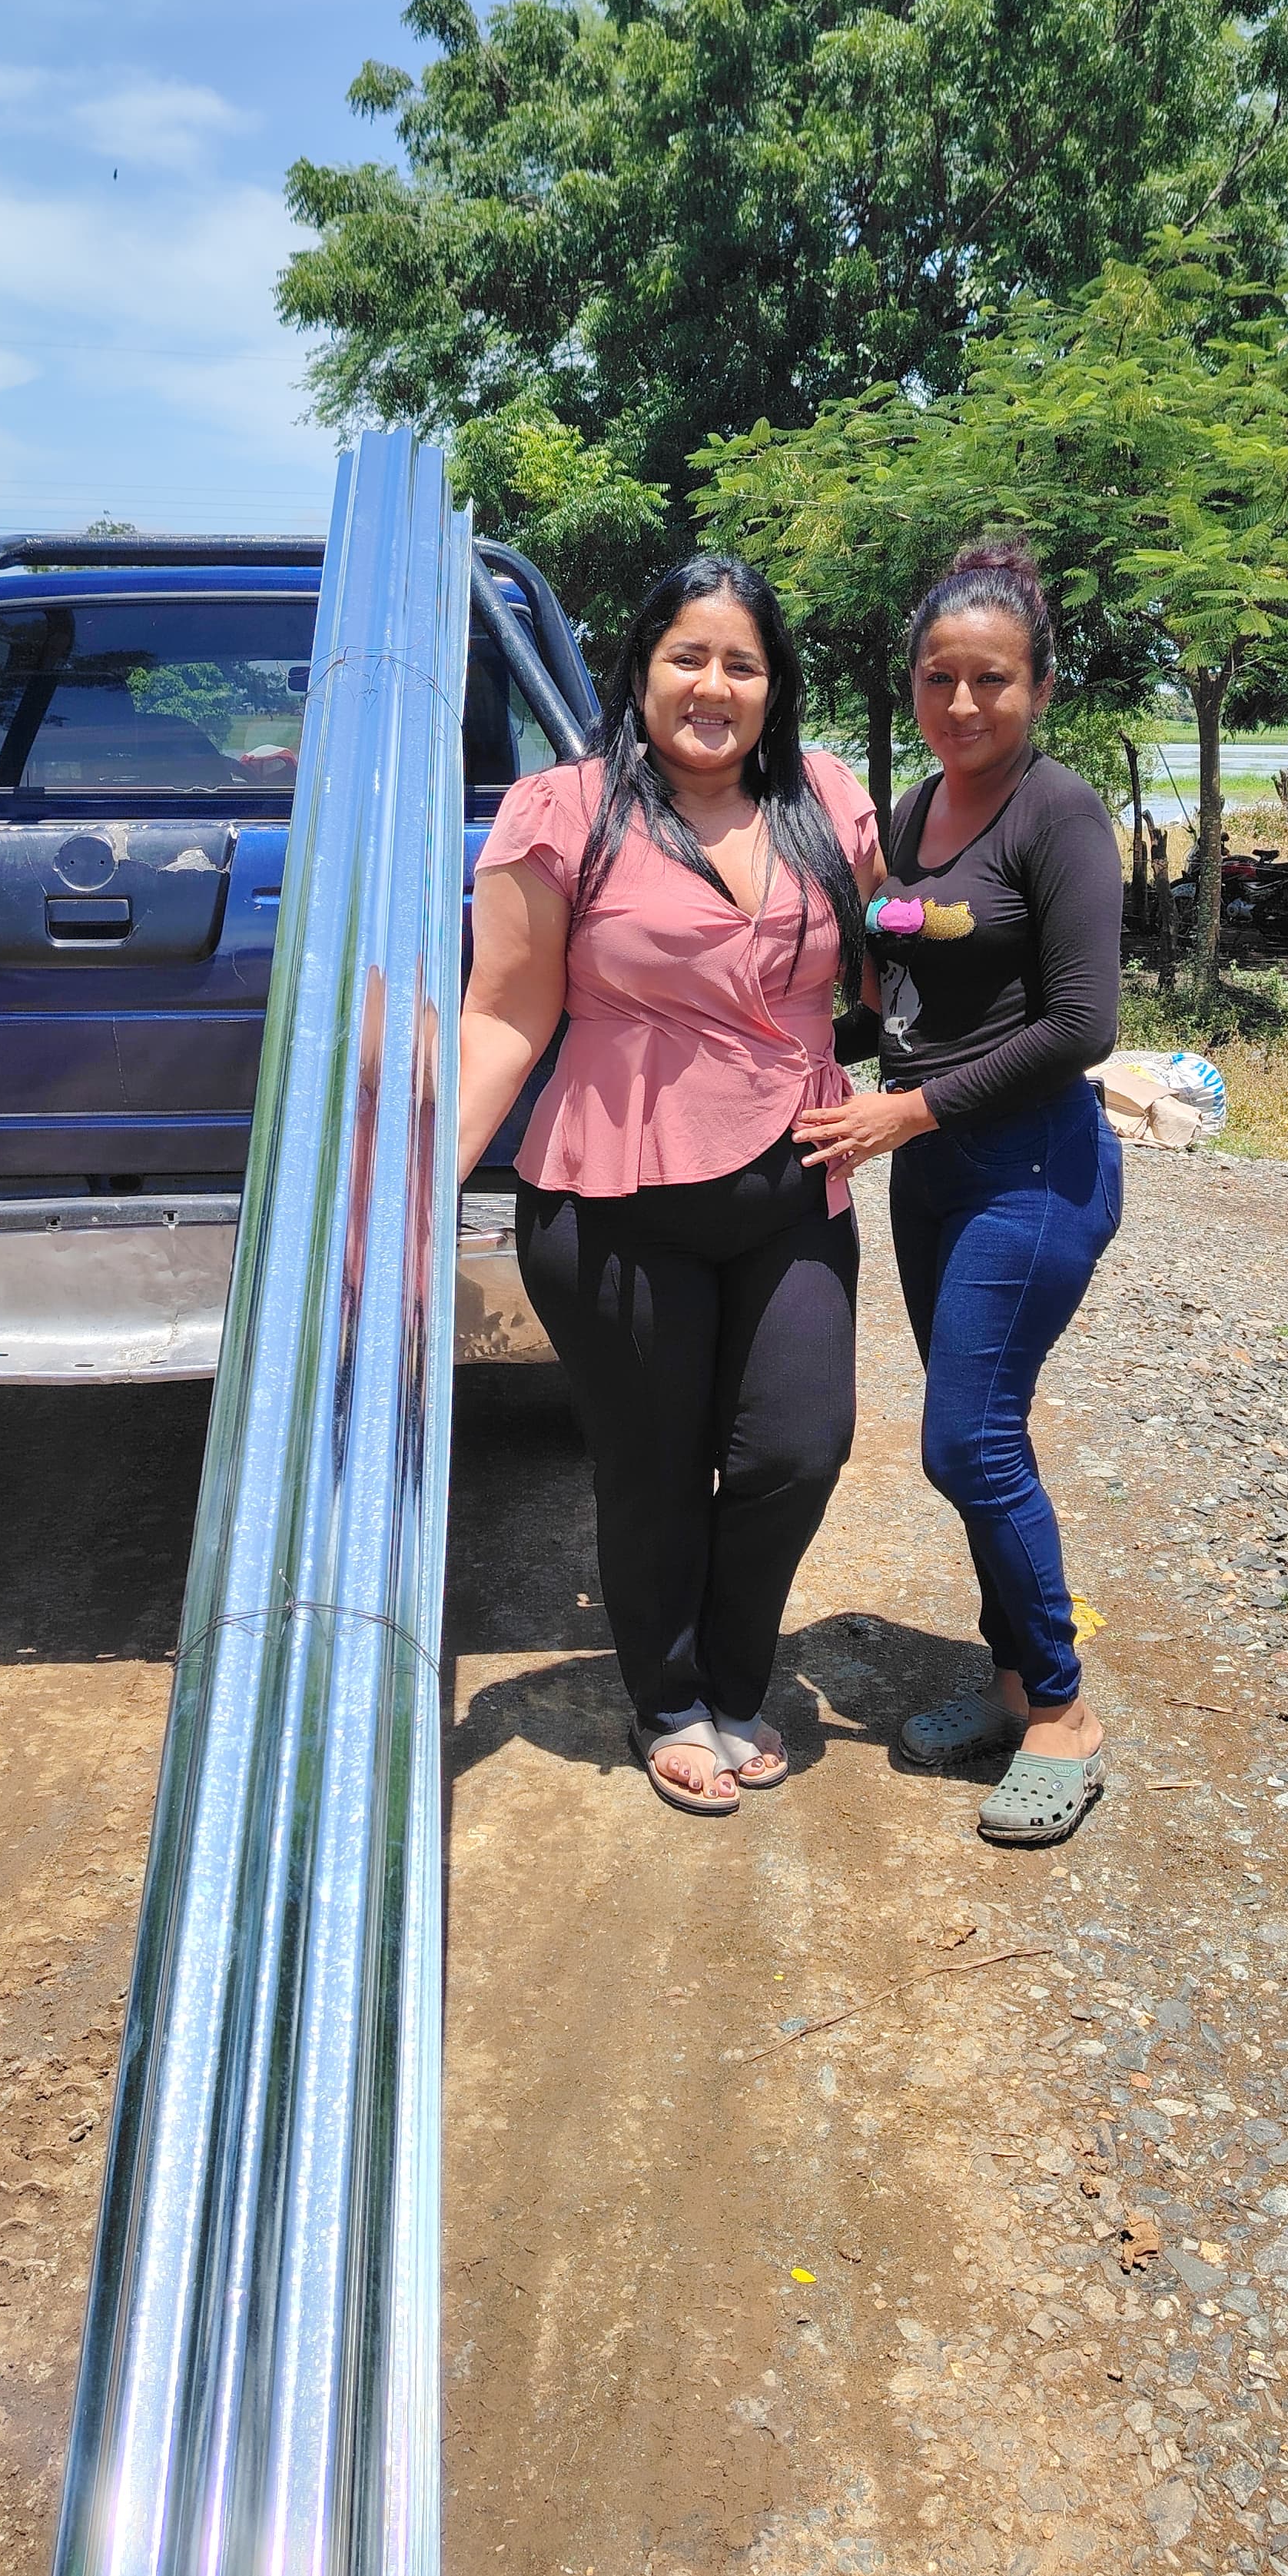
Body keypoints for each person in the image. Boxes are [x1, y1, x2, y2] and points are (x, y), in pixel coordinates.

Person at [456, 555, 885, 1816]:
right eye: (687, 657)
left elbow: (891, 972)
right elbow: (503, 1016)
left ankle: (737, 1674)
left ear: (774, 685)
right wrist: (416, 1181)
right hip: (614, 1199)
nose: (713, 685)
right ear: (641, 671)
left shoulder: (826, 799)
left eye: (742, 663)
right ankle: (673, 1699)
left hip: (794, 1183)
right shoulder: (563, 811)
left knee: (798, 1449)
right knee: (653, 1468)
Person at [796, 541, 1123, 1847]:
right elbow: (906, 1004)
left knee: (964, 1443)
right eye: (941, 678)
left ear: (1039, 687)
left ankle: (1063, 1715)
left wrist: (910, 1111)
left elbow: (1083, 1026)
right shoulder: (915, 809)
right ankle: (1010, 1680)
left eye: (993, 680)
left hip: (1031, 1169)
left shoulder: (1060, 815)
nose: (965, 703)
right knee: (987, 1435)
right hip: (933, 1170)